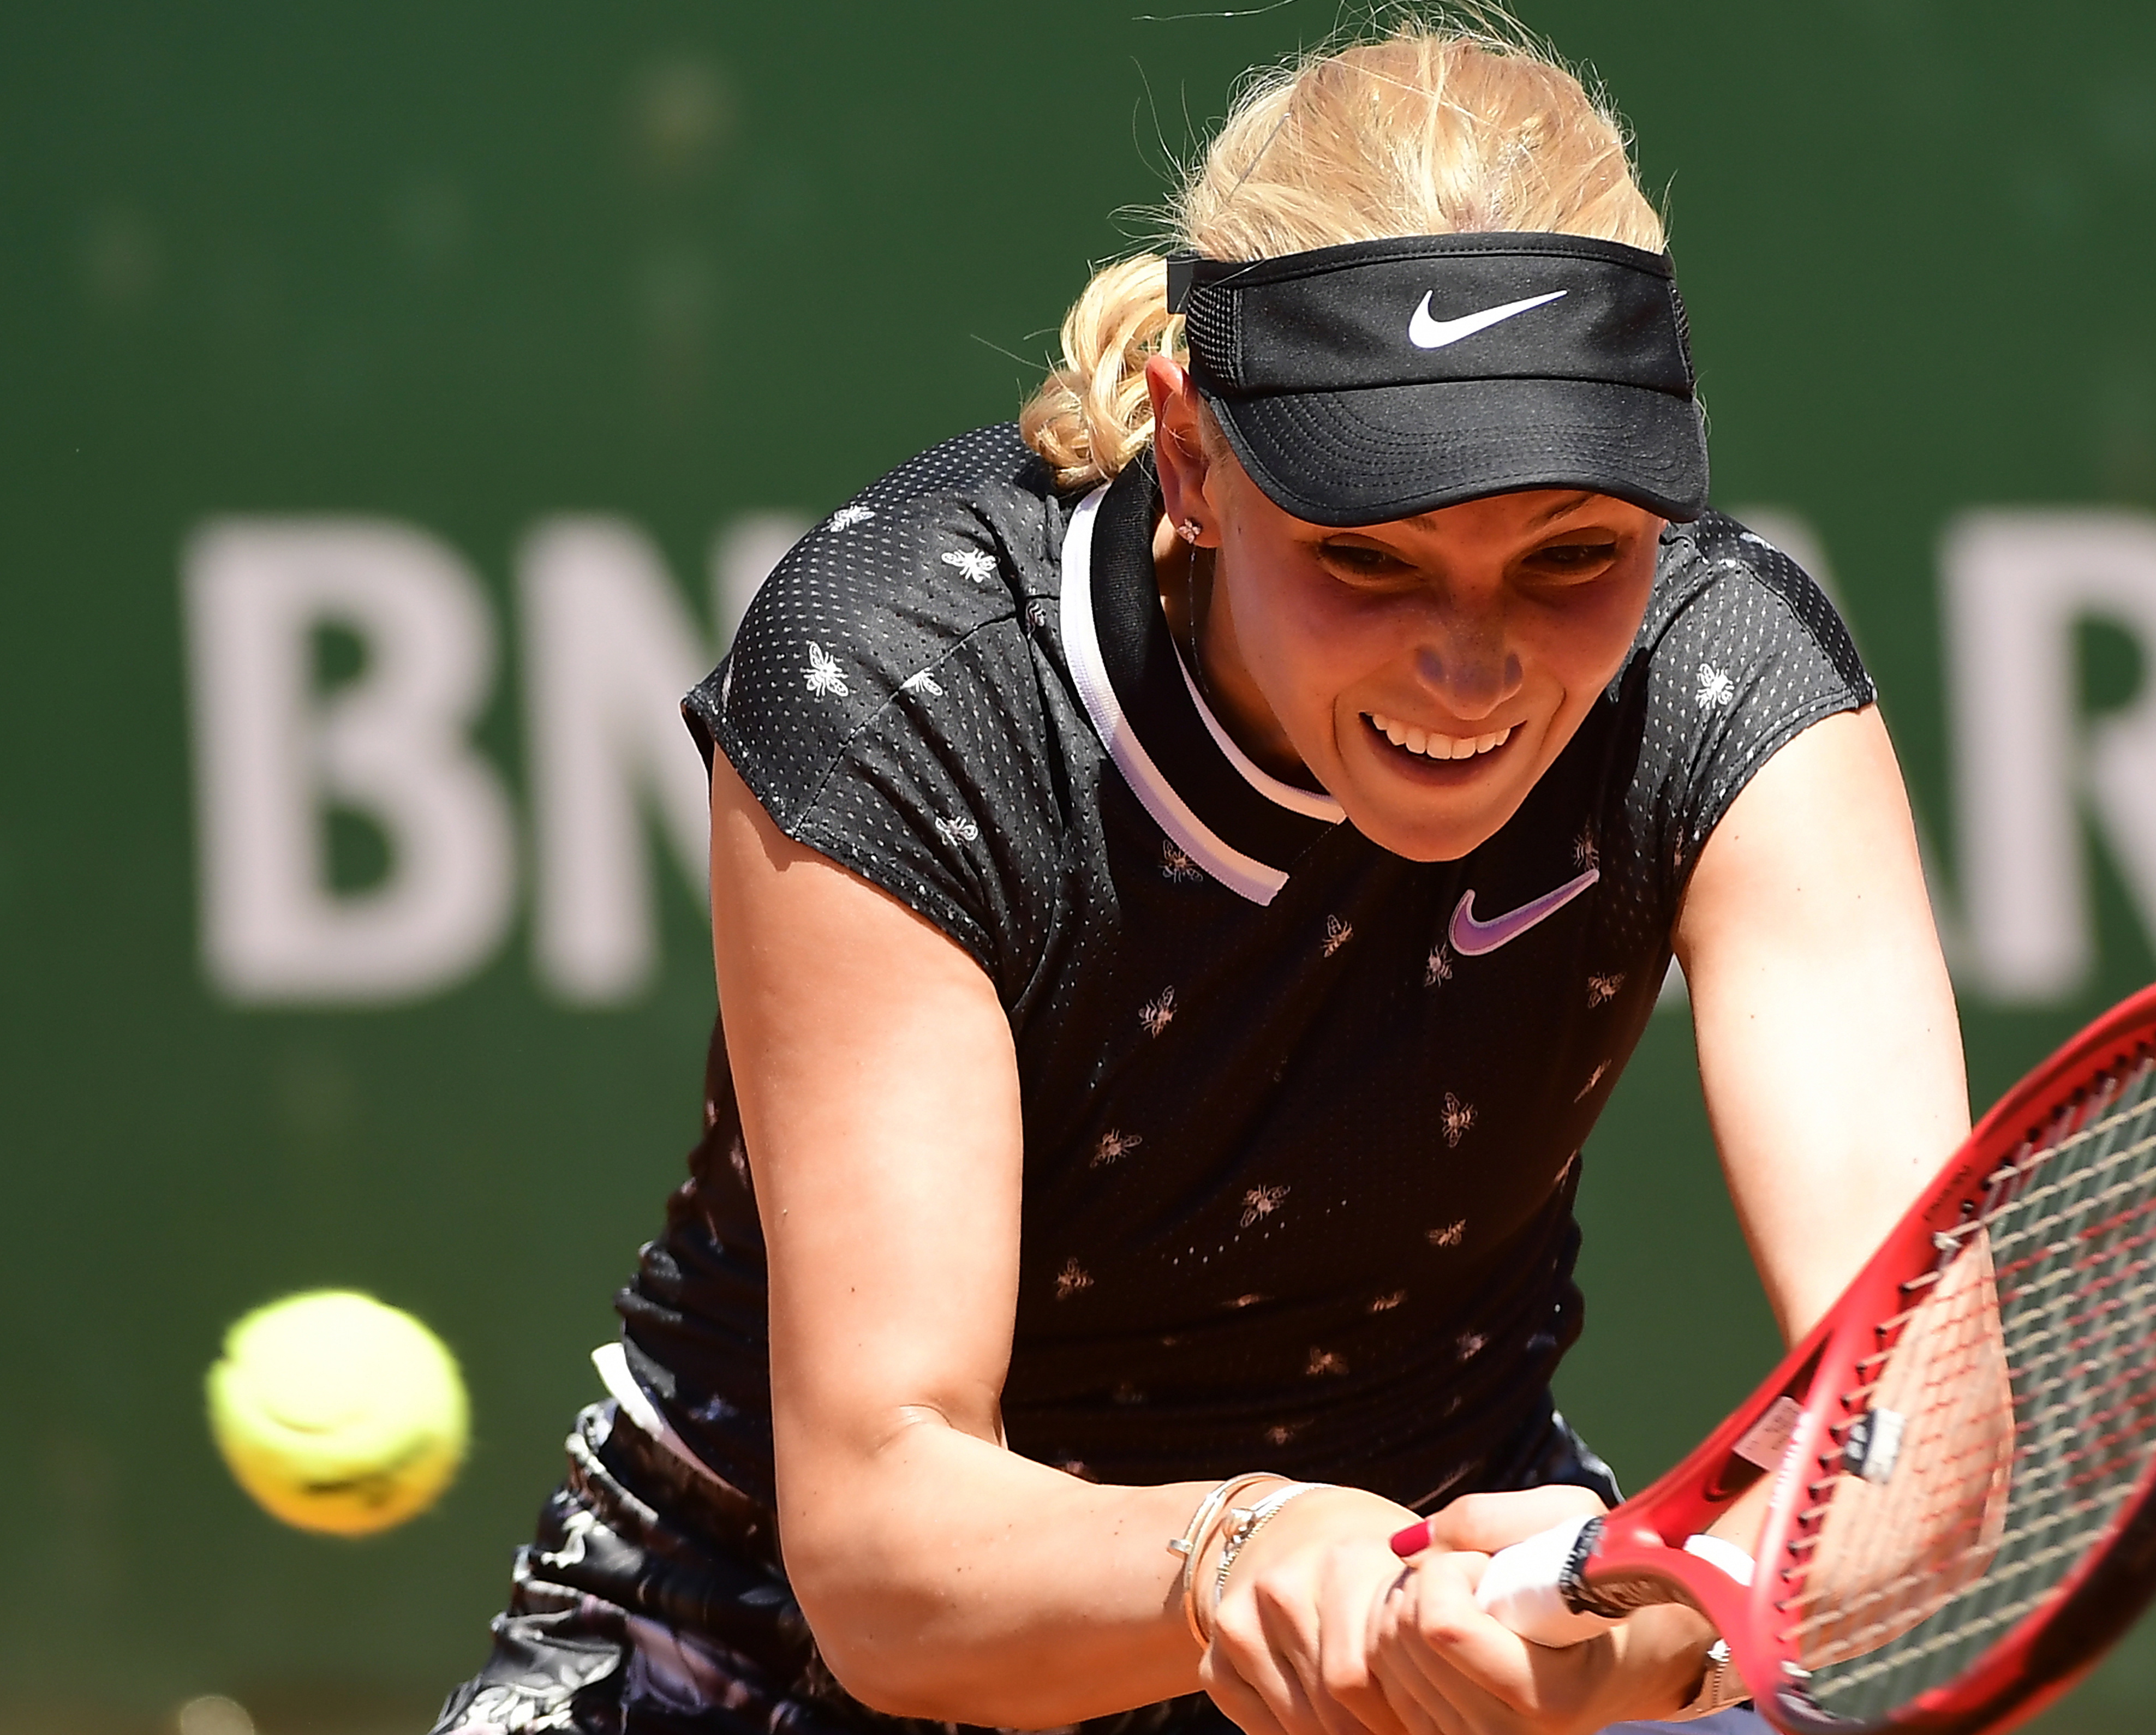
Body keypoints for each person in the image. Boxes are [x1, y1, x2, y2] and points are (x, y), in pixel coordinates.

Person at [431, 19, 1966, 1735]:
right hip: (761, 1639)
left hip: (1431, 1604)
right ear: (1192, 460)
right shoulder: (911, 679)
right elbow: (883, 1544)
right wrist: (1243, 1551)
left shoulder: (1728, 683)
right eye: (1366, 556)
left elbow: (1927, 1434)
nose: (1472, 667)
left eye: (1574, 554)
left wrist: (1643, 1642)